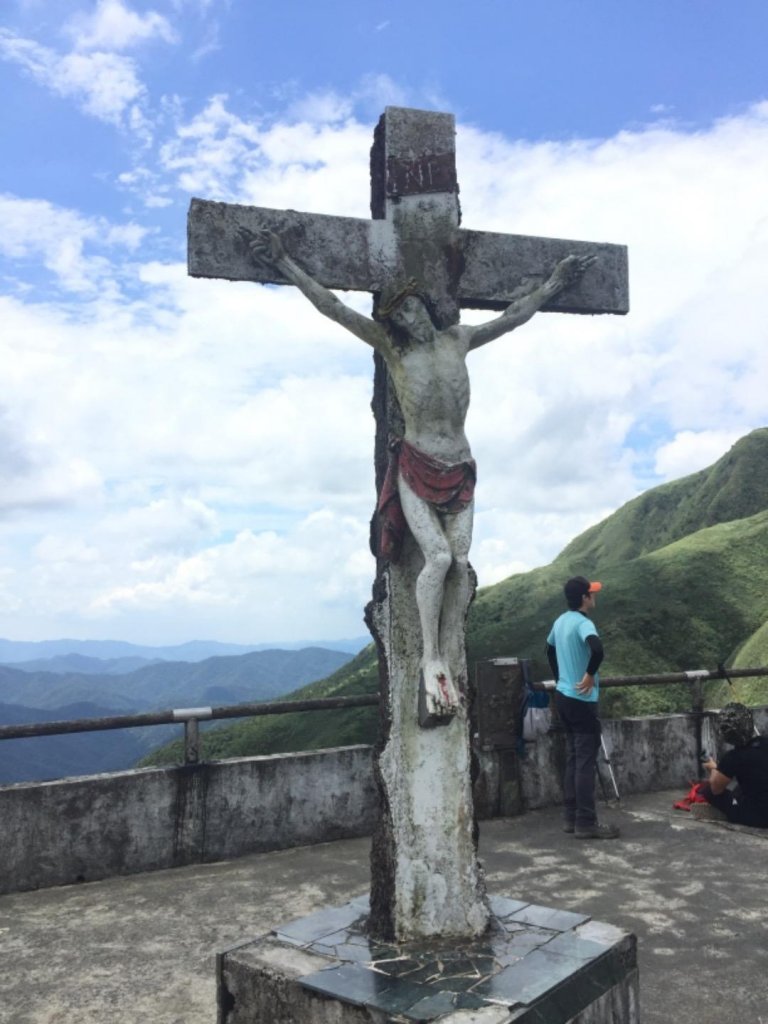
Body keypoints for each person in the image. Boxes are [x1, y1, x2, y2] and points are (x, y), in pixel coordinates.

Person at [244, 226, 595, 724]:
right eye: (399, 315)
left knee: (462, 561)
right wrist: (285, 264)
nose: (408, 318)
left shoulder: (460, 339)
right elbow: (334, 308)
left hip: (462, 466)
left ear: (425, 307)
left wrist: (554, 285)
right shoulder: (396, 352)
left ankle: (448, 651)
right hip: (417, 464)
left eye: (411, 308)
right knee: (437, 556)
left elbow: (513, 317)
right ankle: (432, 654)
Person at [546, 575, 620, 839]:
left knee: (574, 759)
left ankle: (571, 818)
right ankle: (586, 823)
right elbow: (597, 650)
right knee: (585, 762)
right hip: (582, 700)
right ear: (584, 598)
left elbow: (549, 648)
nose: (594, 596)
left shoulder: (560, 621)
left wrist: (559, 678)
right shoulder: (582, 623)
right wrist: (589, 675)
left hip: (564, 697)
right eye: (592, 593)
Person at [700, 702, 768, 827]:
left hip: (760, 817)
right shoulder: (764, 742)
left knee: (707, 790)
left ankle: (728, 812)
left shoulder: (733, 757)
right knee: (741, 787)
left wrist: (713, 768)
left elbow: (716, 789)